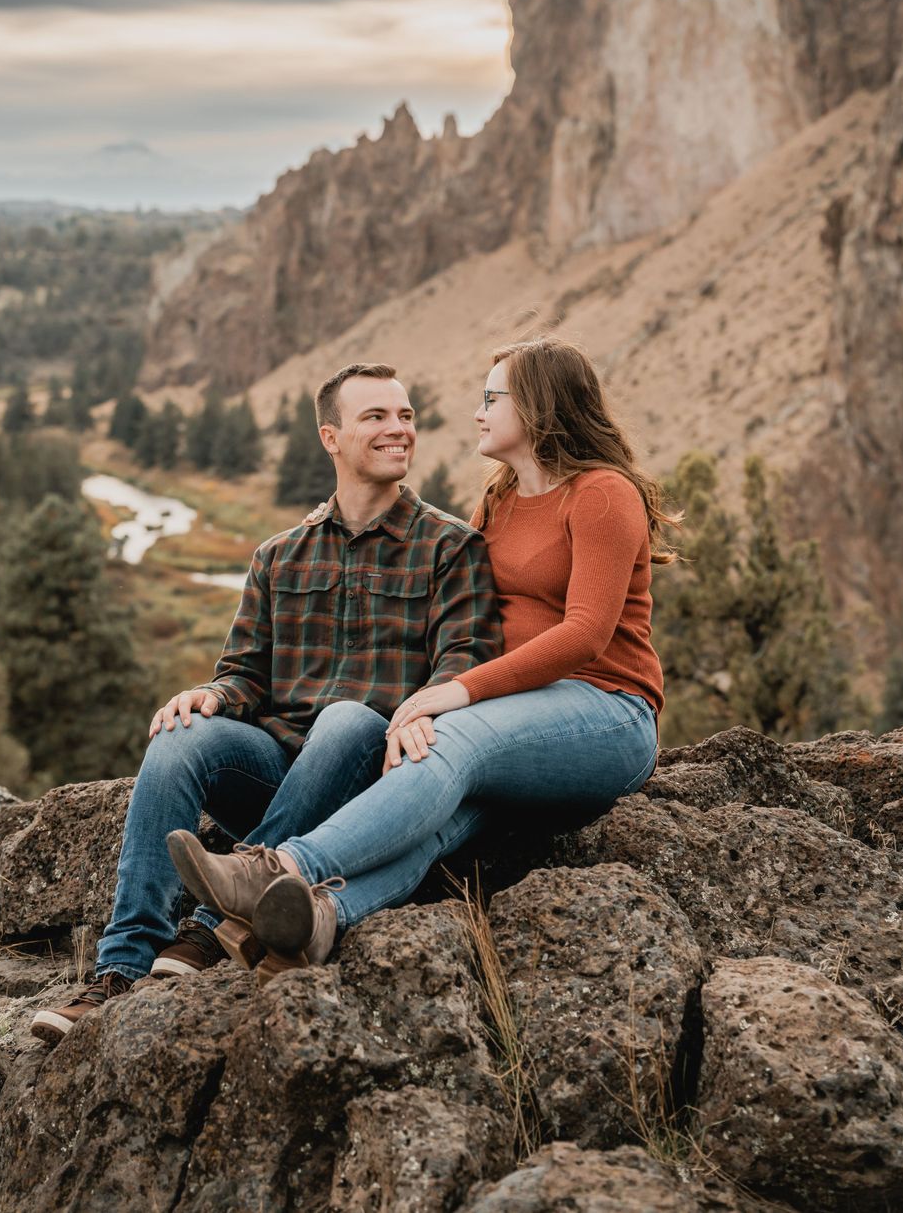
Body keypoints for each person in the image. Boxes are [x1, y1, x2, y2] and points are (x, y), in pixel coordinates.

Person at [169, 337, 677, 983]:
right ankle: (317, 920)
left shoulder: (603, 493)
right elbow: (460, 612)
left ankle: (277, 867)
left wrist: (454, 693)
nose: (478, 412)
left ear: (538, 406)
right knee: (436, 818)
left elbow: (585, 635)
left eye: (492, 398)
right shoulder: (499, 501)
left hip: (605, 714)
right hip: (514, 725)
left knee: (450, 739)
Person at [31, 362, 501, 1044]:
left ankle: (211, 927)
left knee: (346, 720)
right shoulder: (279, 555)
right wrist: (211, 694)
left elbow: (466, 663)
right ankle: (121, 968)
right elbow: (244, 675)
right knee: (180, 735)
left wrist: (421, 708)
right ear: (330, 437)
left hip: (375, 789)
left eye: (405, 415)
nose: (399, 428)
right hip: (280, 773)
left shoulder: (452, 547)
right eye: (376, 416)